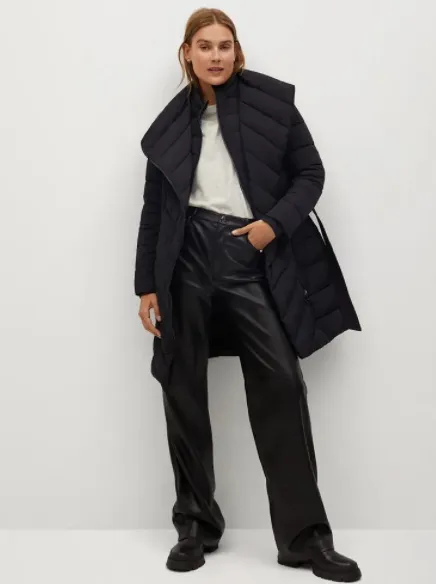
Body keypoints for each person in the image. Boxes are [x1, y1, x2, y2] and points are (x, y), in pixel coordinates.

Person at [134, 7, 362, 582]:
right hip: (185, 260)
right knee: (182, 389)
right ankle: (195, 527)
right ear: (187, 53)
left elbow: (310, 174)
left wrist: (272, 226)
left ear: (237, 51)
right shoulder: (168, 125)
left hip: (248, 256)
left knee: (281, 383)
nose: (215, 55)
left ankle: (305, 540)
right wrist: (145, 286)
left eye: (225, 45)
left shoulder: (272, 104)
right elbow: (155, 210)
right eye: (204, 46)